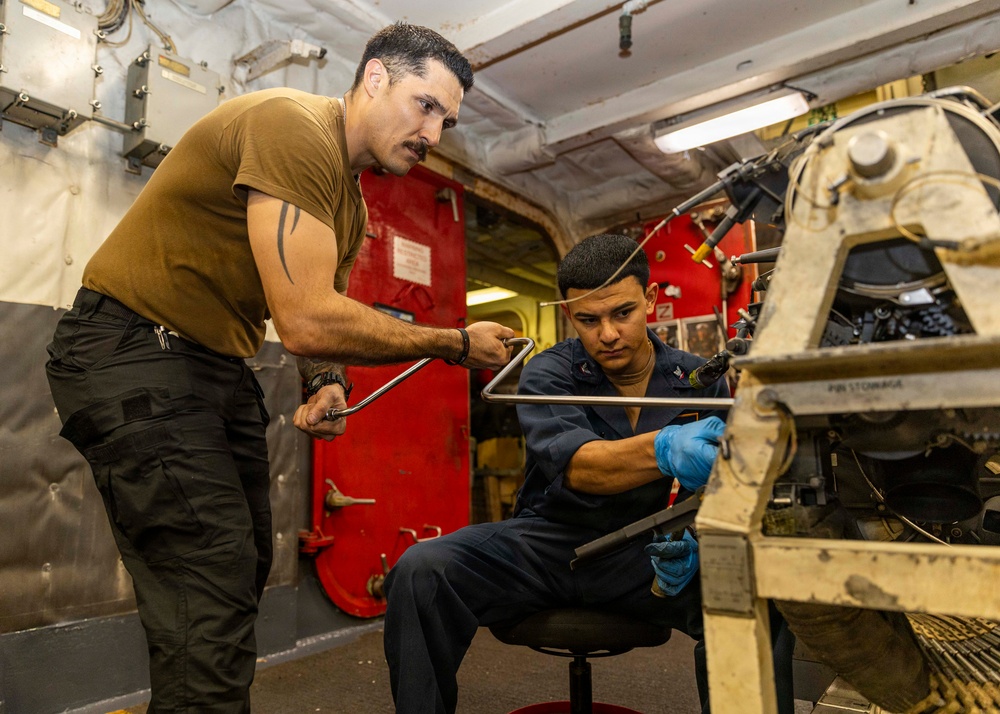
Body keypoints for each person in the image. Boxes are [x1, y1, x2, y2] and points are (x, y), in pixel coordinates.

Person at [45, 23, 512, 714]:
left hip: (208, 365)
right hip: (132, 348)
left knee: (236, 573)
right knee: (209, 576)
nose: (433, 133)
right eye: (425, 104)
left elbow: (317, 316)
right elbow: (305, 319)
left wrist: (325, 382)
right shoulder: (293, 126)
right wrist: (451, 342)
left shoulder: (348, 204)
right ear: (376, 77)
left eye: (447, 119)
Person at [384, 234, 794, 713]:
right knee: (420, 570)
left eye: (622, 313)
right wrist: (663, 448)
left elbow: (720, 484)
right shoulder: (548, 373)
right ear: (569, 316)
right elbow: (581, 468)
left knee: (755, 595)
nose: (608, 334)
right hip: (544, 546)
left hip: (644, 552)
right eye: (588, 319)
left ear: (650, 298)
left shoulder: (697, 378)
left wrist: (697, 539)